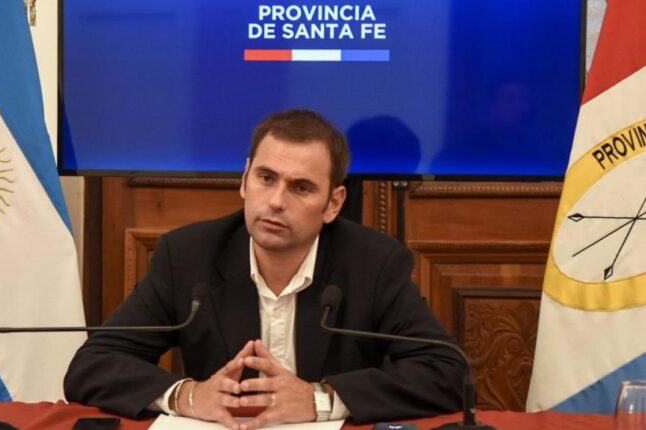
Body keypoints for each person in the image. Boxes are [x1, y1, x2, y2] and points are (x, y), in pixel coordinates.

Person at [64, 109, 465, 429]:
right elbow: (93, 365)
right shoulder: (187, 255)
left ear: (333, 204)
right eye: (266, 178)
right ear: (244, 180)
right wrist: (189, 395)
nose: (275, 201)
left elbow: (447, 372)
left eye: (301, 187)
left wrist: (319, 399)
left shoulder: (373, 263)